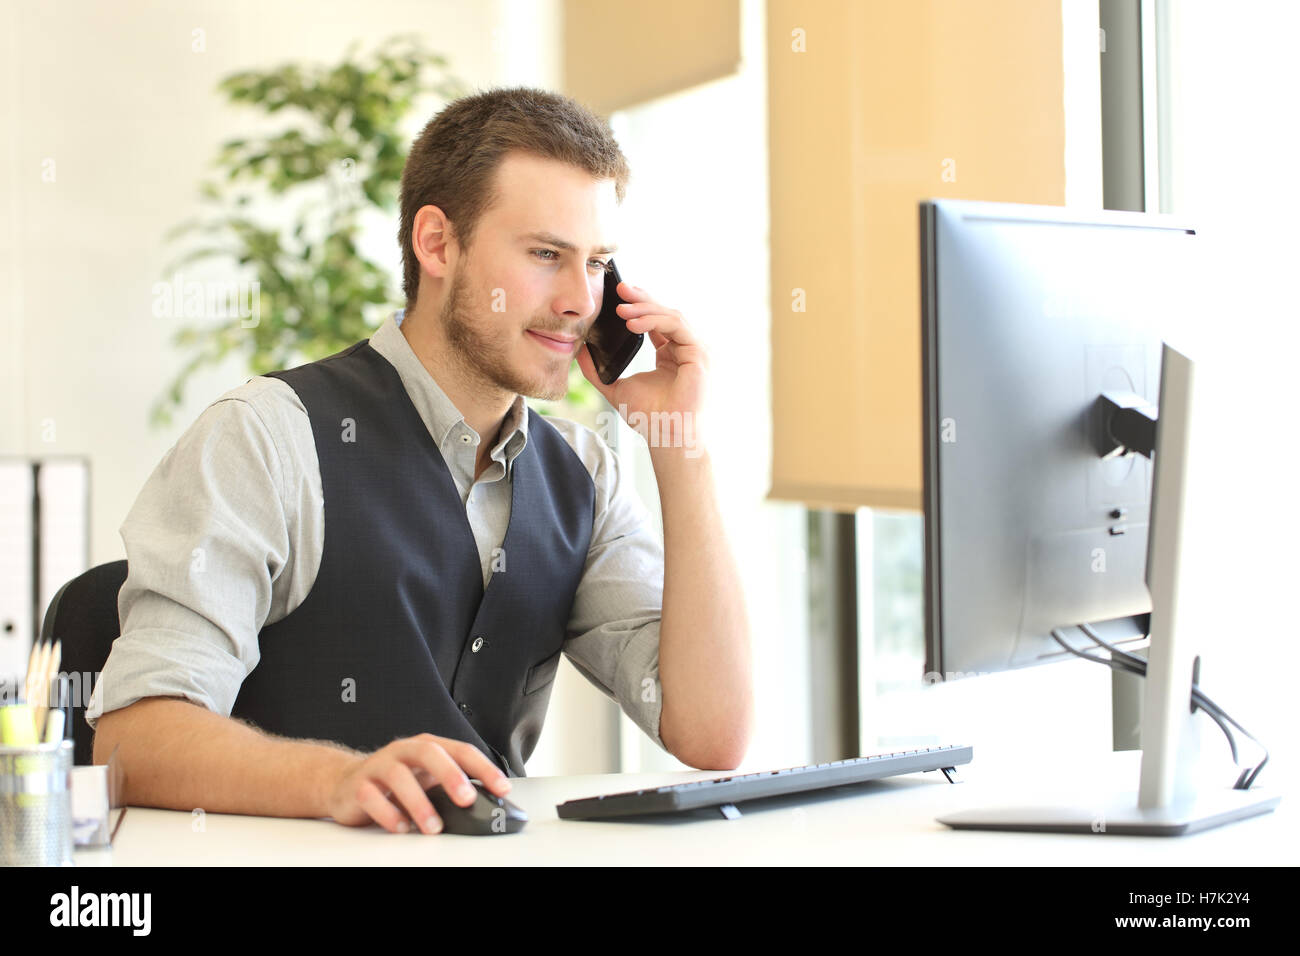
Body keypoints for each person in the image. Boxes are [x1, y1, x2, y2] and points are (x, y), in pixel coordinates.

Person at [88, 86, 752, 834]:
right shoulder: (270, 438)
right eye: (545, 254)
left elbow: (710, 734)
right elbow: (132, 737)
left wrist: (681, 447)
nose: (580, 301)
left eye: (597, 263)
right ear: (436, 244)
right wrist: (339, 779)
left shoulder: (584, 475)